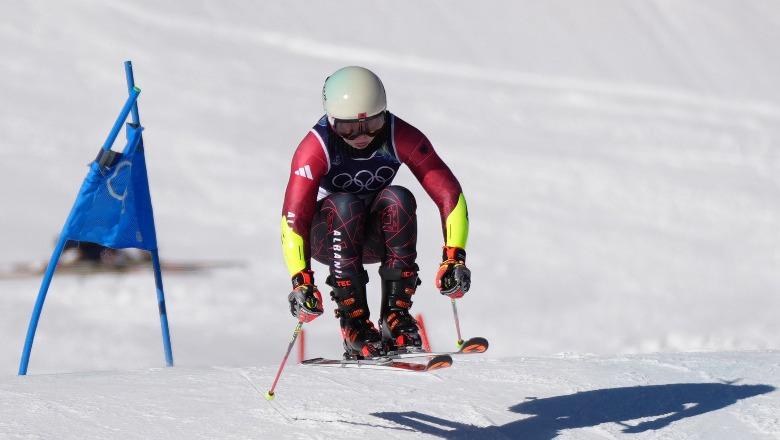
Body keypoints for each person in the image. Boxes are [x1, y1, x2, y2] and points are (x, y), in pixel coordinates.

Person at [281, 66, 471, 359]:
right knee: (345, 204)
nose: (361, 135)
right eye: (347, 128)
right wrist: (301, 280)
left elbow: (449, 194)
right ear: (332, 122)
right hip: (328, 239)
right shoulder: (316, 146)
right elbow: (294, 218)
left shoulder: (399, 135)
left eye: (372, 123)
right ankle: (354, 324)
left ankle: (395, 318)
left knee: (399, 198)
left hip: (373, 237)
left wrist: (454, 258)